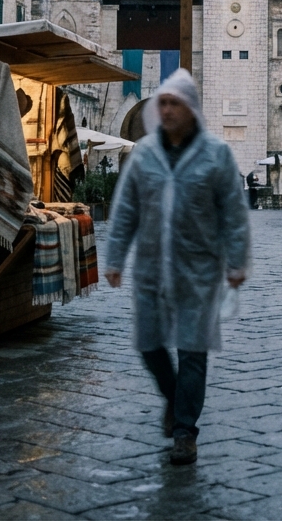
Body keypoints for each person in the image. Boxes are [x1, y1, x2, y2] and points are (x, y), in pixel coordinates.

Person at [104, 70, 250, 466]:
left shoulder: (216, 154)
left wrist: (237, 261)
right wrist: (115, 257)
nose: (166, 110)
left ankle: (185, 431)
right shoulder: (145, 154)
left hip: (199, 271)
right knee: (149, 344)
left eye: (174, 104)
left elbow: (234, 215)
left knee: (193, 352)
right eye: (162, 103)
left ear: (190, 110)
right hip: (151, 269)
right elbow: (126, 210)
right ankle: (173, 397)